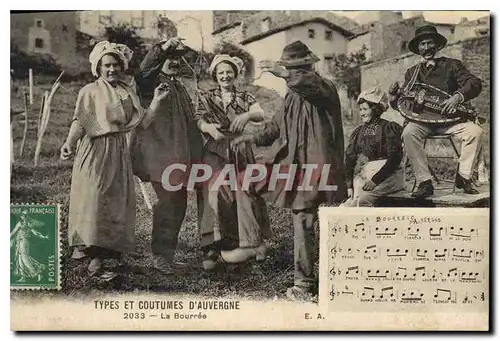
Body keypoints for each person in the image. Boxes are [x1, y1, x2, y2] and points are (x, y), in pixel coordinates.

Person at [231, 41, 346, 300]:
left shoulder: (323, 88)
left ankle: (304, 284)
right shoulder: (292, 96)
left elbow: (308, 85)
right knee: (245, 182)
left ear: (309, 68)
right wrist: (251, 138)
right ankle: (255, 244)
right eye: (290, 69)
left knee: (305, 220)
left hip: (317, 166)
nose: (293, 75)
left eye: (298, 69)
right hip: (292, 163)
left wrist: (284, 73)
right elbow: (275, 126)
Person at [61, 41, 169, 279]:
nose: (112, 69)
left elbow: (141, 123)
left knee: (117, 201)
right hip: (95, 149)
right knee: (96, 198)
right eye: (107, 65)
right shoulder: (89, 91)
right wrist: (69, 143)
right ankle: (94, 257)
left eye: (116, 65)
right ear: (98, 67)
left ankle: (111, 255)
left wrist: (157, 101)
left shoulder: (126, 91)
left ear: (122, 66)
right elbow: (80, 120)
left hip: (120, 149)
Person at [131, 37, 204, 273]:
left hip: (180, 158)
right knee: (167, 206)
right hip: (158, 157)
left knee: (179, 206)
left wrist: (196, 157)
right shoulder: (150, 83)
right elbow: (143, 71)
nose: (174, 62)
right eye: (169, 57)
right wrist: (161, 50)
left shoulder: (180, 86)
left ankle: (167, 256)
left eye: (177, 57)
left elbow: (191, 126)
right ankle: (160, 257)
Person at [195, 54, 271, 269]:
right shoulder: (206, 96)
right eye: (221, 73)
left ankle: (249, 242)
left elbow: (259, 113)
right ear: (215, 76)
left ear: (235, 75)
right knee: (215, 192)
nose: (225, 76)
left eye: (229, 72)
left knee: (245, 192)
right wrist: (208, 128)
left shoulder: (244, 97)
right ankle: (213, 244)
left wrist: (246, 117)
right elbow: (198, 118)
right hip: (215, 148)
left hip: (239, 147)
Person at [389, 25, 483, 198]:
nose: (426, 48)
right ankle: (424, 182)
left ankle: (463, 177)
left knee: (475, 131)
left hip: (451, 121)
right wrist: (394, 96)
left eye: (429, 43)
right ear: (418, 49)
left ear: (437, 45)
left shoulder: (452, 65)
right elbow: (404, 107)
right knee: (409, 132)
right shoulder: (412, 73)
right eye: (422, 44)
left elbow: (474, 83)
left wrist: (458, 97)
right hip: (423, 122)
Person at [342, 88, 404, 207]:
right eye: (360, 109)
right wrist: (349, 185)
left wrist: (375, 180)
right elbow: (350, 159)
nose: (361, 113)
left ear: (375, 109)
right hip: (368, 174)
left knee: (363, 200)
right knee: (352, 199)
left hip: (390, 175)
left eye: (365, 109)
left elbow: (395, 159)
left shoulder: (389, 128)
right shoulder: (358, 132)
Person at [10, 210, 48, 283]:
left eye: (26, 215)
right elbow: (13, 232)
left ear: (28, 216)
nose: (24, 216)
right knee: (20, 258)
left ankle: (38, 272)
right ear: (21, 216)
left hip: (24, 242)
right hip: (19, 242)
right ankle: (23, 277)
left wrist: (43, 237)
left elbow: (35, 232)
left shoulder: (29, 224)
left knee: (25, 258)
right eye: (23, 215)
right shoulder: (20, 223)